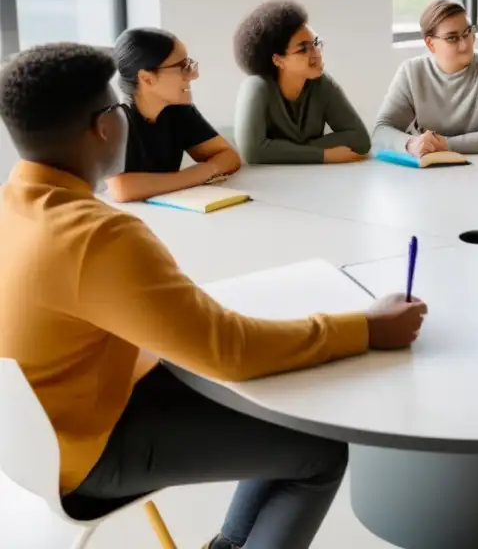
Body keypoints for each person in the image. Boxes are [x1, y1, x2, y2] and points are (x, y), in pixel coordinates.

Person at [0, 43, 428, 549]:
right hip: (88, 452)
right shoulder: (98, 236)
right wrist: (369, 328)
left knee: (266, 398)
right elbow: (230, 352)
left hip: (31, 437)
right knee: (322, 449)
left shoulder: (14, 206)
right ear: (105, 126)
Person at [105, 27, 241, 203]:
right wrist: (202, 172)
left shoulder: (178, 110)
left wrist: (194, 174)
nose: (194, 74)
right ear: (147, 78)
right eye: (181, 66)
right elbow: (122, 189)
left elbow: (229, 157)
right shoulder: (112, 118)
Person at [233, 0, 371, 165]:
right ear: (278, 60)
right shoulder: (256, 87)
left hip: (310, 178)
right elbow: (253, 152)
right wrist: (324, 155)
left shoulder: (322, 83)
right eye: (303, 49)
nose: (316, 54)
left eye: (316, 44)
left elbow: (361, 139)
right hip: (269, 184)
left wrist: (283, 150)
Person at [372, 0, 478, 155]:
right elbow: (381, 130)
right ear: (430, 44)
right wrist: (411, 144)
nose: (465, 45)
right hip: (423, 169)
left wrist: (446, 144)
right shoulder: (412, 72)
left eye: (467, 33)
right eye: (452, 38)